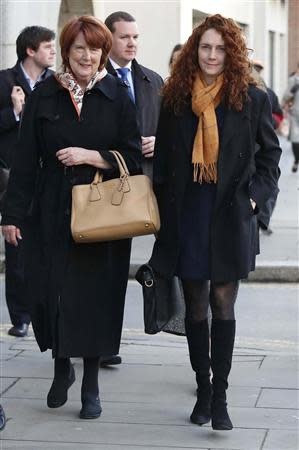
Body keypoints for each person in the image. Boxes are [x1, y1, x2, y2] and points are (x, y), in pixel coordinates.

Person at [1, 15, 141, 420]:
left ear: (103, 52)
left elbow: (132, 155)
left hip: (102, 215)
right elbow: (25, 161)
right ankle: (62, 369)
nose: (87, 55)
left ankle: (91, 385)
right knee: (52, 294)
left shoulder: (118, 94)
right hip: (50, 211)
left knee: (96, 299)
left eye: (94, 48)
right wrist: (11, 215)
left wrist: (91, 156)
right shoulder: (45, 94)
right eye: (79, 48)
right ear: (67, 51)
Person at [149, 14, 281, 430]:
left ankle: (220, 396)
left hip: (230, 212)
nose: (212, 55)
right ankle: (202, 389)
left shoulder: (252, 98)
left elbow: (269, 157)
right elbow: (166, 163)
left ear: (233, 53)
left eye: (221, 48)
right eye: (205, 47)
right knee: (196, 305)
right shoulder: (175, 97)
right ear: (194, 50)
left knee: (224, 302)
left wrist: (256, 199)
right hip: (187, 213)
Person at [103, 10, 163, 367]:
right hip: (109, 188)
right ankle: (104, 342)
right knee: (107, 270)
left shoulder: (152, 80)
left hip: (149, 186)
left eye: (136, 37)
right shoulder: (96, 78)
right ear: (109, 38)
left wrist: (160, 141)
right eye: (125, 37)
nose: (132, 43)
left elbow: (169, 128)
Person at [0, 26, 56, 338]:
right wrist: (14, 112)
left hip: (48, 177)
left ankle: (44, 312)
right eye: (47, 46)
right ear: (30, 50)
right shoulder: (4, 81)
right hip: (13, 179)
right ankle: (20, 317)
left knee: (47, 250)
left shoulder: (57, 83)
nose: (53, 52)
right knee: (17, 249)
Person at [282, 62, 299, 172]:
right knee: (295, 139)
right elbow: (286, 95)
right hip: (295, 113)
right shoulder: (293, 80)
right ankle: (296, 160)